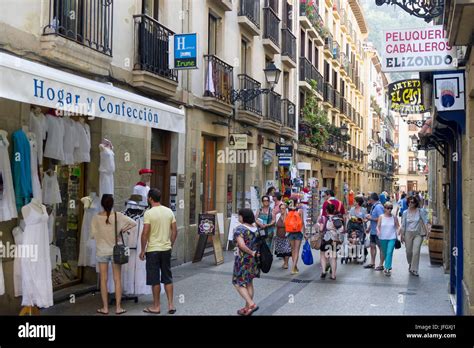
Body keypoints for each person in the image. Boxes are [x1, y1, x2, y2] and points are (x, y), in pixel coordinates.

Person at [91, 194, 137, 315]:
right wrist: (122, 230)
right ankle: (118, 307)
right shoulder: (118, 216)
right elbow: (133, 223)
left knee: (103, 280)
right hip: (116, 251)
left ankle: (105, 308)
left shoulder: (96, 218)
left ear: (102, 204)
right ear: (112, 204)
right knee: (117, 279)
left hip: (102, 251)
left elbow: (92, 235)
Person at [140, 189, 178, 314]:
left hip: (153, 250)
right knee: (168, 277)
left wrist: (142, 250)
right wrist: (170, 244)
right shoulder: (169, 211)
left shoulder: (148, 213)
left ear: (150, 198)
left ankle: (156, 306)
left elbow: (145, 233)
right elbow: (175, 231)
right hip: (166, 249)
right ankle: (171, 305)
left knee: (154, 279)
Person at [232, 208, 260, 316]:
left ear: (243, 217)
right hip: (253, 260)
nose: (238, 217)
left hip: (243, 259)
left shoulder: (240, 229)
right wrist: (254, 253)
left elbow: (242, 245)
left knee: (237, 283)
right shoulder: (255, 229)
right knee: (249, 282)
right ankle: (247, 308)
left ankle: (251, 304)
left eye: (239, 215)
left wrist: (251, 252)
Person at [400, 196, 429, 277]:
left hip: (418, 233)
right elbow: (403, 225)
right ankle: (410, 263)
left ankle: (414, 269)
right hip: (408, 233)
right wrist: (402, 235)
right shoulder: (405, 212)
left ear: (415, 203)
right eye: (409, 202)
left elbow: (425, 222)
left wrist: (427, 233)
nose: (410, 203)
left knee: (416, 251)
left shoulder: (420, 211)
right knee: (409, 251)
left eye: (412, 202)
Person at [319, 203, 344, 280]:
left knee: (323, 255)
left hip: (325, 239)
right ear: (334, 210)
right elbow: (341, 230)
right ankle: (333, 275)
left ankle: (323, 271)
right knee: (333, 257)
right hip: (334, 240)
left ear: (326, 210)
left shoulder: (323, 218)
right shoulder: (337, 219)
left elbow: (320, 229)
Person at [376, 202, 400, 277]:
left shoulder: (394, 217)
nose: (389, 210)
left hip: (392, 237)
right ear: (384, 208)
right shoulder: (381, 217)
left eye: (391, 208)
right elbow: (378, 226)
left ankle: (387, 268)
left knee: (389, 252)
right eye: (388, 208)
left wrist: (399, 231)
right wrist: (378, 231)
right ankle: (388, 265)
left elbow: (398, 226)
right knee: (385, 252)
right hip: (383, 237)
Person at [364, 193, 385, 271]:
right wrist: (369, 228)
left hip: (378, 231)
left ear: (372, 199)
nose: (369, 201)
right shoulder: (374, 206)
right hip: (373, 230)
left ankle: (381, 264)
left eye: (369, 199)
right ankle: (372, 263)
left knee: (381, 248)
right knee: (372, 246)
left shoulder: (378, 206)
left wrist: (370, 219)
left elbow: (381, 218)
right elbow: (373, 218)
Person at [286, 198, 304, 275]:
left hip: (290, 232)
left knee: (293, 250)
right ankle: (293, 267)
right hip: (298, 232)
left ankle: (294, 266)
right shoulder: (300, 211)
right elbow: (302, 222)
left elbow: (284, 221)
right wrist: (305, 233)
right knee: (297, 250)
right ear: (297, 203)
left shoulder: (287, 211)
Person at [274, 203, 291, 269]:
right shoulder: (278, 215)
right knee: (281, 250)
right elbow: (276, 224)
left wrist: (284, 216)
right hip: (279, 236)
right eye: (280, 208)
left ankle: (286, 263)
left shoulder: (289, 215)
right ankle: (285, 262)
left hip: (287, 236)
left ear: (286, 209)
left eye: (283, 208)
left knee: (286, 250)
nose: (281, 210)